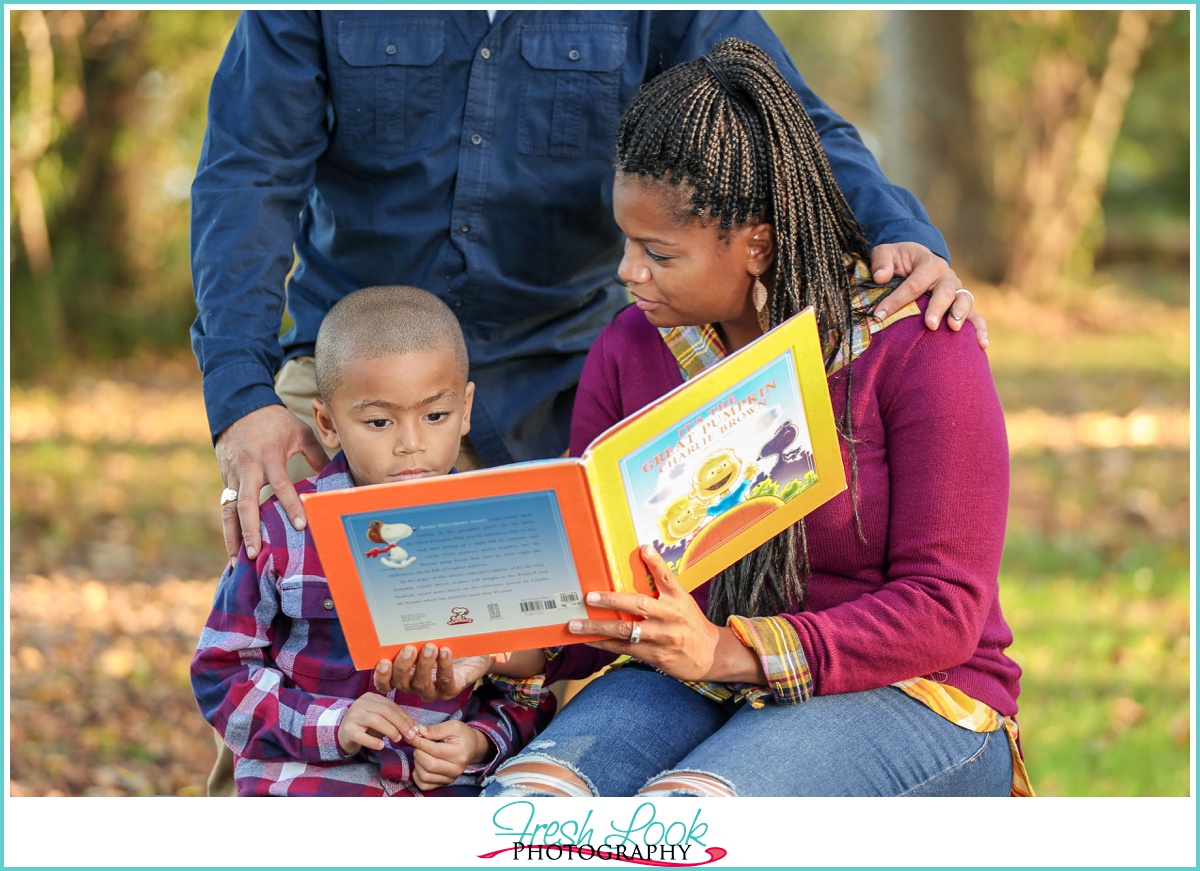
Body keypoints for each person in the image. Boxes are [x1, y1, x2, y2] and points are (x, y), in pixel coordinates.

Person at [381, 38, 1031, 797]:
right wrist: (491, 651)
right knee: (529, 808)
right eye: (625, 241)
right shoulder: (631, 346)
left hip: (917, 691)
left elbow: (944, 608)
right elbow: (603, 595)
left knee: (693, 823)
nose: (628, 271)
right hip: (693, 675)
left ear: (755, 242)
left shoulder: (914, 343)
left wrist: (728, 650)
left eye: (658, 251)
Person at [190, 10, 985, 570]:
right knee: (292, 656)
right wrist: (243, 397)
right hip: (350, 376)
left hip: (571, 385)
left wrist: (894, 230)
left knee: (549, 690)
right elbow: (248, 172)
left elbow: (783, 117)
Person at [190, 286, 552, 797]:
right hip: (306, 792)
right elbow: (220, 673)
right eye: (379, 422)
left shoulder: (493, 535)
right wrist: (329, 724)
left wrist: (477, 744)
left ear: (465, 409)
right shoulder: (284, 531)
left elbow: (524, 689)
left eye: (435, 416)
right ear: (327, 424)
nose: (411, 443)